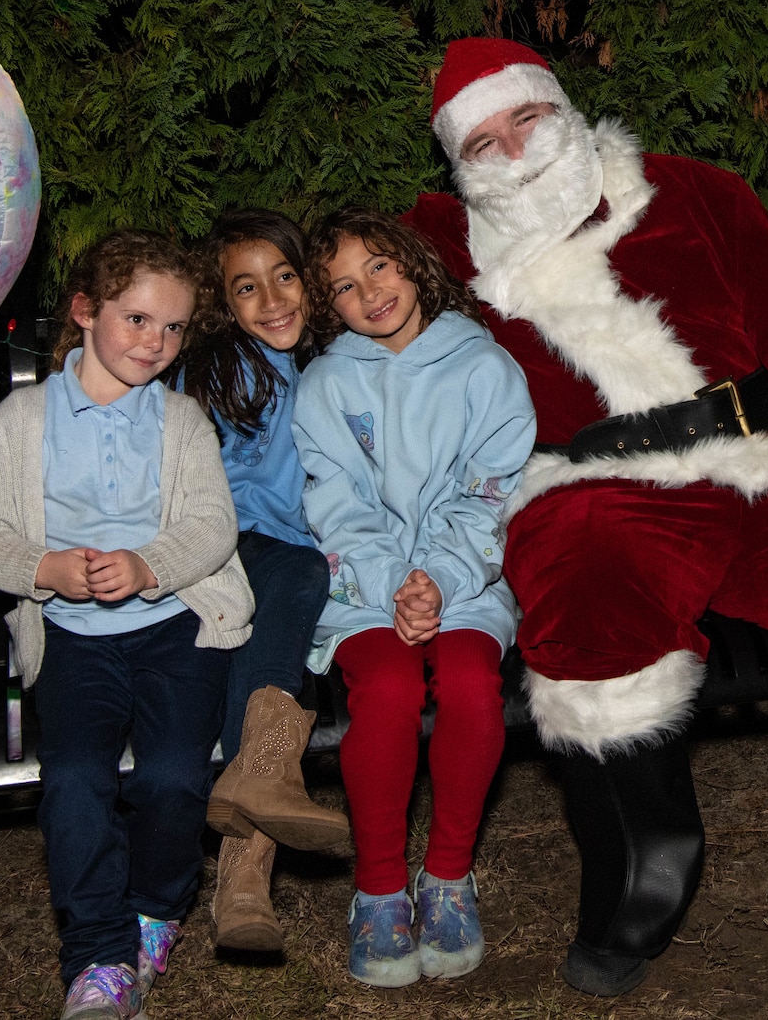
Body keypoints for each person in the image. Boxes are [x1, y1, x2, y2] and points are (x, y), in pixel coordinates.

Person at [404, 37, 768, 998]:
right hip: (587, 488)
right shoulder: (436, 248)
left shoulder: (695, 193)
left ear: (561, 107)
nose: (513, 150)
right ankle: (649, 858)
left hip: (755, 461)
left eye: (525, 118)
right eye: (483, 142)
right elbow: (339, 309)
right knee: (587, 589)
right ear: (456, 166)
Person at [0, 232, 254, 1020]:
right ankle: (98, 953)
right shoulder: (23, 421)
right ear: (86, 312)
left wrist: (149, 564)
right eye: (136, 320)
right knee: (77, 780)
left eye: (172, 328)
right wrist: (46, 570)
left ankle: (156, 910)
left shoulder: (182, 420)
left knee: (172, 775)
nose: (154, 343)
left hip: (177, 627)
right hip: (73, 638)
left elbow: (212, 524)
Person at [291, 206, 535, 989]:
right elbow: (333, 500)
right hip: (366, 585)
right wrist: (397, 582)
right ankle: (381, 888)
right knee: (390, 689)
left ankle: (449, 876)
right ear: (331, 308)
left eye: (381, 267)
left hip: (466, 577)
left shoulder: (485, 367)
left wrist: (439, 577)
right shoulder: (327, 383)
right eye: (346, 286)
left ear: (413, 263)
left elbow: (494, 490)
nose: (371, 292)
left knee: (469, 684)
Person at [177, 209, 352, 952]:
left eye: (284, 277)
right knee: (297, 574)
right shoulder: (229, 365)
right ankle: (257, 806)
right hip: (224, 545)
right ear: (223, 302)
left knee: (272, 654)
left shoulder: (319, 365)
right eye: (247, 287)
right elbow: (243, 491)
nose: (273, 299)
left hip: (278, 564)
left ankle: (245, 865)